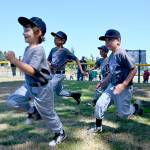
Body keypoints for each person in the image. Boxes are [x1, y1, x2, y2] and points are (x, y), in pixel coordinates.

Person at [5, 17, 66, 146]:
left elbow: (32, 70)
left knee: (48, 114)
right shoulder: (28, 49)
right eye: (24, 29)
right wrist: (16, 62)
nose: (23, 32)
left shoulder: (39, 49)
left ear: (38, 33)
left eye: (27, 29)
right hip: (29, 85)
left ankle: (60, 132)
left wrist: (14, 60)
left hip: (42, 88)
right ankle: (33, 111)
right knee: (12, 101)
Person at [88, 29, 143, 134]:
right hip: (112, 86)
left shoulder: (122, 53)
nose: (107, 42)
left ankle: (135, 108)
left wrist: (124, 84)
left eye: (110, 40)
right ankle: (98, 127)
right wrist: (104, 82)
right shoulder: (111, 56)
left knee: (124, 114)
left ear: (118, 41)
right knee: (99, 104)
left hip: (124, 88)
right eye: (105, 40)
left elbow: (134, 69)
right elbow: (112, 73)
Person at [47, 31, 87, 104]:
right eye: (54, 38)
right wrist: (49, 65)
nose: (54, 39)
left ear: (63, 41)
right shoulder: (53, 49)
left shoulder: (65, 51)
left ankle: (42, 109)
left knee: (48, 90)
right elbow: (48, 60)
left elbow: (76, 59)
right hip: (52, 74)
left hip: (59, 75)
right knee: (59, 92)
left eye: (57, 38)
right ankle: (75, 95)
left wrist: (81, 71)